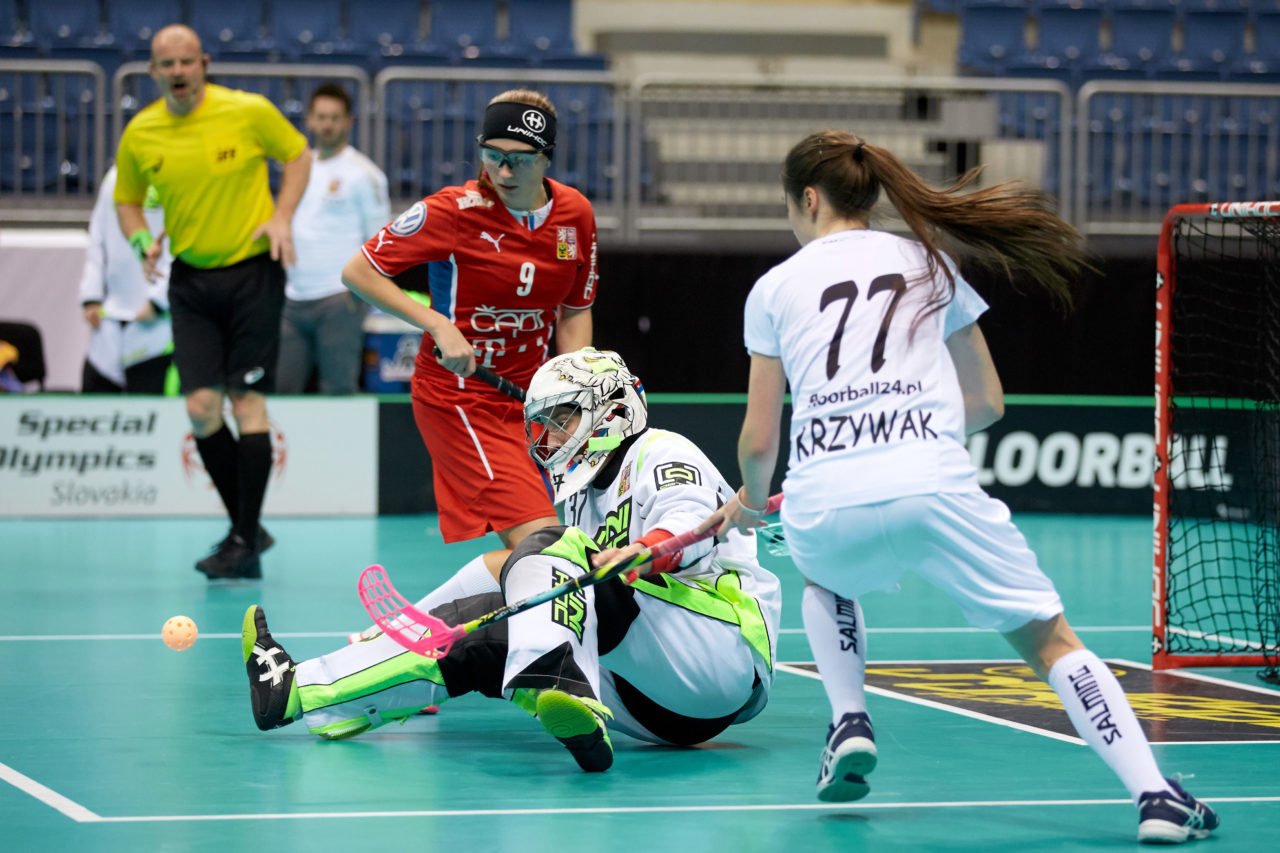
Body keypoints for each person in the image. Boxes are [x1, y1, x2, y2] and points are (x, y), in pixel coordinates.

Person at [716, 131, 1219, 844]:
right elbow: (987, 401)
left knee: (825, 577)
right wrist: (915, 431)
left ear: (807, 198)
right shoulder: (932, 261)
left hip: (825, 497)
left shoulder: (773, 287)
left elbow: (760, 442)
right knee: (1053, 643)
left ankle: (849, 717)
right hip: (934, 482)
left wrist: (754, 499)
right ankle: (1155, 796)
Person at [241, 348, 780, 773]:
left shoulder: (659, 451)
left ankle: (555, 674)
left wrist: (642, 552)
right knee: (470, 635)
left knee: (548, 548)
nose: (547, 439)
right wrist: (392, 634)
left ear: (612, 410)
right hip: (652, 705)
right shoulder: (581, 496)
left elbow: (691, 526)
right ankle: (297, 692)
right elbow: (509, 573)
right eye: (542, 426)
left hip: (718, 654)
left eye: (562, 419)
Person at [341, 89, 597, 583]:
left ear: (546, 158)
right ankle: (416, 632)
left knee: (571, 552)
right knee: (548, 549)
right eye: (492, 155)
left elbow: (574, 311)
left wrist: (576, 387)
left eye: (518, 160)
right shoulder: (454, 210)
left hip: (534, 404)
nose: (502, 172)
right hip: (460, 399)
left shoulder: (575, 216)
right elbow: (359, 271)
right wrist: (436, 323)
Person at [114, 24, 311, 580]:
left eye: (186, 62)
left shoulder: (247, 111)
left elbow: (297, 157)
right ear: (153, 72)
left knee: (246, 404)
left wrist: (282, 216)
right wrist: (139, 241)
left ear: (203, 63)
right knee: (201, 408)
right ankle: (248, 529)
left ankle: (243, 539)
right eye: (165, 64)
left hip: (253, 273)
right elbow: (127, 201)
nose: (177, 72)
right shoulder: (141, 132)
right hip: (190, 280)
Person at [277, 84, 390, 395]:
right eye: (321, 117)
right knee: (283, 391)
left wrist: (359, 296)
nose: (327, 124)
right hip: (292, 298)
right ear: (309, 120)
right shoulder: (296, 168)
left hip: (339, 300)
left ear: (349, 122)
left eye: (335, 118)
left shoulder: (364, 174)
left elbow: (382, 244)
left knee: (338, 390)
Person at [79, 166, 174, 394]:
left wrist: (159, 300)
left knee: (153, 418)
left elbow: (187, 243)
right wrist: (91, 295)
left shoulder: (181, 171)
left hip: (158, 327)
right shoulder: (114, 175)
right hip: (109, 322)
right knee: (92, 412)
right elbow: (97, 237)